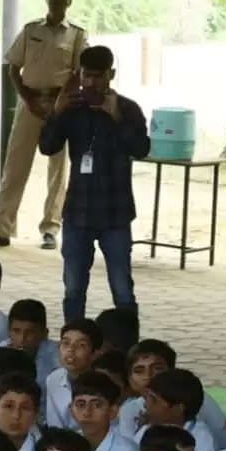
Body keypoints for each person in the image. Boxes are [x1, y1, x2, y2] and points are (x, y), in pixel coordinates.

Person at [44, 43, 153, 324]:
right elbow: (47, 146)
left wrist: (115, 116)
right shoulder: (72, 108)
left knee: (121, 287)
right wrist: (57, 112)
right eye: (86, 75)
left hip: (115, 213)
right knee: (74, 288)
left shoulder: (128, 109)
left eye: (97, 76)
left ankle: (128, 348)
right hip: (78, 212)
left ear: (110, 74)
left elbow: (141, 148)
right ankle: (74, 343)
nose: (90, 82)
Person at [0, 0, 87, 248]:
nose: (58, 0)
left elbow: (79, 72)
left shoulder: (77, 35)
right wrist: (28, 98)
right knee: (15, 165)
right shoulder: (31, 30)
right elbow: (13, 67)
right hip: (29, 103)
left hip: (60, 107)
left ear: (69, 2)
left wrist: (60, 101)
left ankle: (51, 228)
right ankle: (1, 228)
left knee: (58, 169)